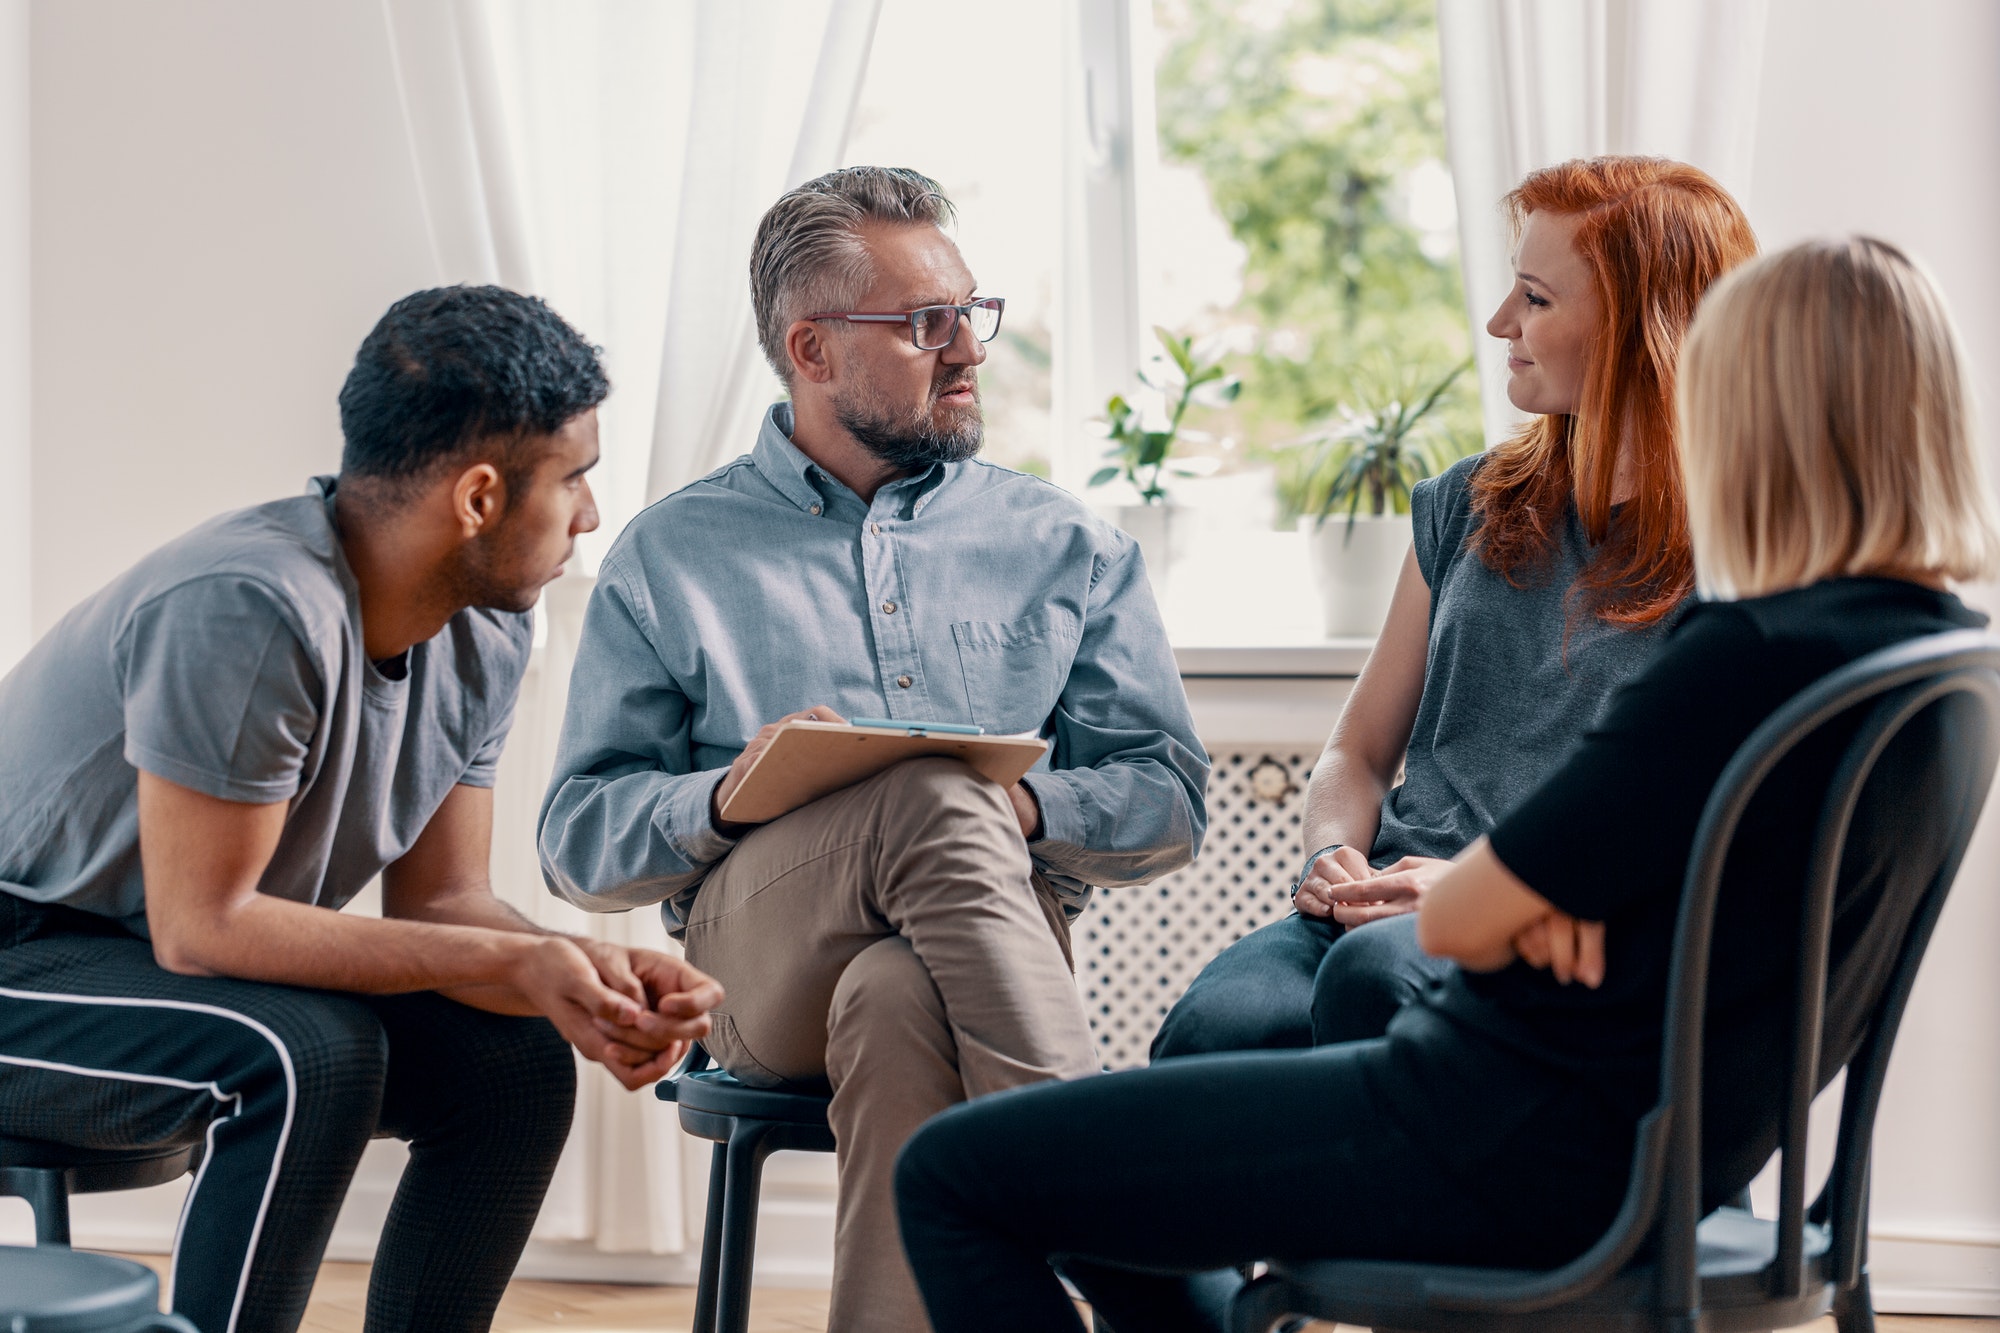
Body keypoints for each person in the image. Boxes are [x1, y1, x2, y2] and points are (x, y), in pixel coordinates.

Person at [894, 234, 2000, 1333]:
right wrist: (1548, 905)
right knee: (1106, 1191)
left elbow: (1468, 911)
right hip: (1631, 1145)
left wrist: (1515, 905)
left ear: (1755, 412)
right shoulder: (1934, 668)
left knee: (951, 1173)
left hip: (1491, 1130)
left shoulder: (1744, 653)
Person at [538, 165, 1208, 1331]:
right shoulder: (671, 556)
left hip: (983, 952)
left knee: (896, 997)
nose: (966, 349)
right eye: (921, 324)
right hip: (756, 972)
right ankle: (1115, 1228)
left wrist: (1033, 813)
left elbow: (1167, 800)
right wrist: (734, 792)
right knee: (929, 797)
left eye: (969, 314)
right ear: (810, 348)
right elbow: (577, 845)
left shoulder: (1063, 545)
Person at [0, 286, 723, 1333]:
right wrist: (512, 965)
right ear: (479, 498)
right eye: (575, 480)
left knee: (509, 1059)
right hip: (25, 955)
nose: (589, 514)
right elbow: (205, 928)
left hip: (147, 966)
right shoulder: (248, 604)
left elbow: (444, 901)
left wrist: (577, 970)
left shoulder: (483, 630)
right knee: (307, 1050)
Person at [1152, 156, 1758, 1061]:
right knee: (1213, 1030)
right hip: (1383, 896)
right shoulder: (1468, 501)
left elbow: (1714, 833)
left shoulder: (1745, 554)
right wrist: (1329, 858)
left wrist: (1486, 889)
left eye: (1537, 299)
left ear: (1639, 329)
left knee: (1381, 990)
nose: (1499, 323)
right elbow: (1356, 752)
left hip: (1554, 929)